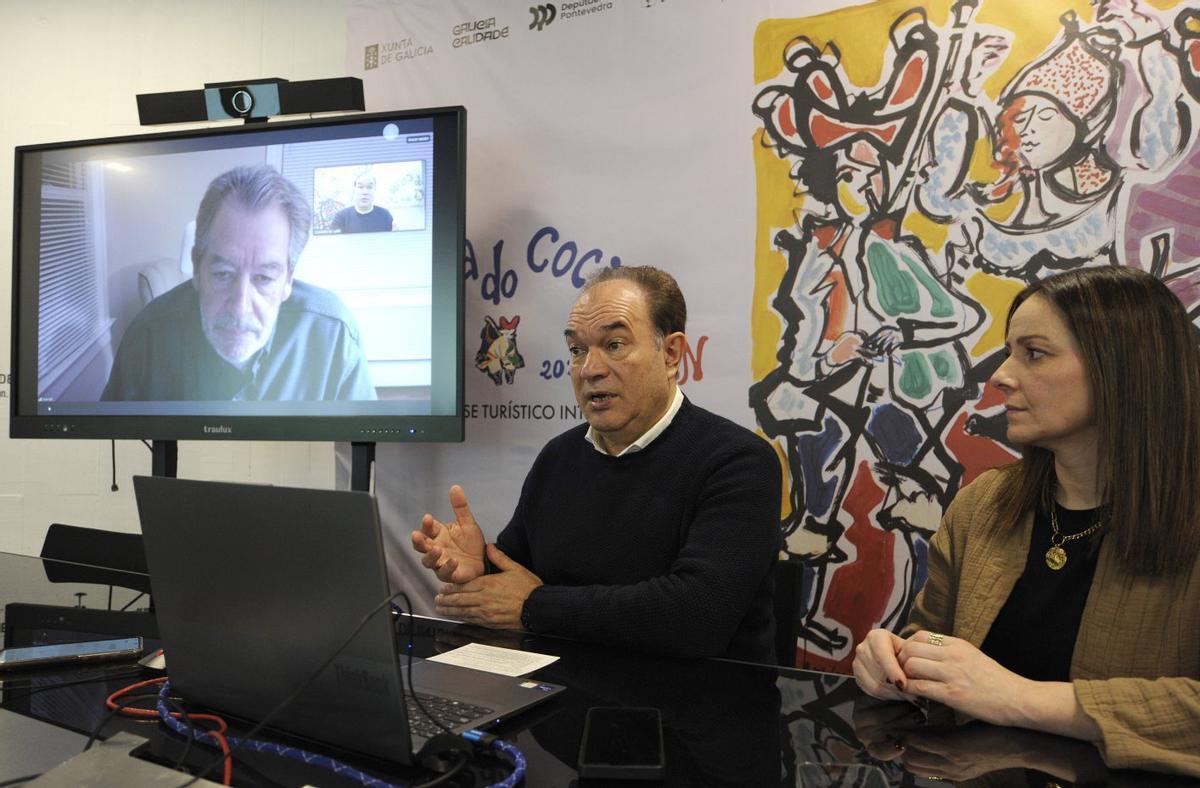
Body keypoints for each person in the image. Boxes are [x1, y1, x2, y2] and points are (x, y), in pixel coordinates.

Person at [852, 266, 1200, 776]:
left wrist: (1021, 698)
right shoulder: (985, 504)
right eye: (1011, 350)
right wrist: (894, 662)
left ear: (1124, 368)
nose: (1000, 375)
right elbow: (934, 641)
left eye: (1034, 353)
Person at [411, 266, 782, 662]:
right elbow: (514, 578)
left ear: (671, 354)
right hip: (557, 695)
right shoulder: (559, 457)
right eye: (577, 350)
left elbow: (695, 616)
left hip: (696, 708)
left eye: (615, 344)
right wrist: (479, 569)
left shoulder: (738, 462)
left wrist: (533, 607)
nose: (590, 368)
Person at [102, 165, 375, 401]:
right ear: (197, 266)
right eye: (223, 274)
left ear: (288, 280)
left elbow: (358, 451)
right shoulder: (147, 337)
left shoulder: (334, 335)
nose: (240, 307)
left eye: (264, 278)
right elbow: (109, 448)